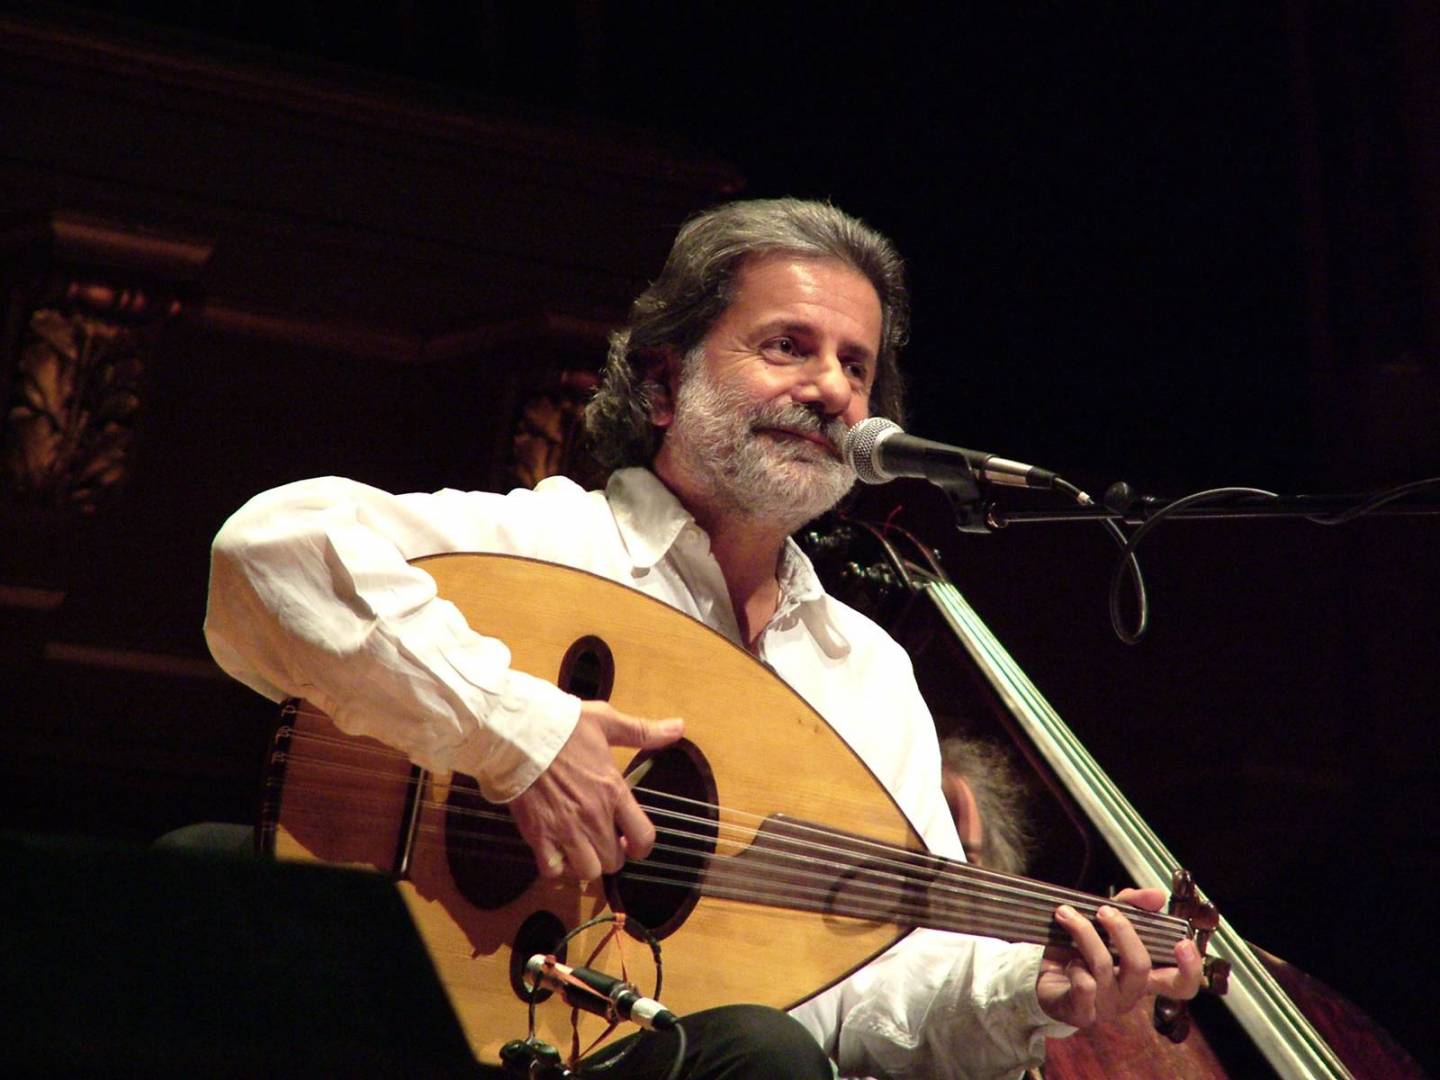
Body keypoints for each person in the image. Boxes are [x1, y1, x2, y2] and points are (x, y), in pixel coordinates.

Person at [205, 198, 1201, 1079]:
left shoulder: (866, 673)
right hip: (421, 1025)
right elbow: (267, 553)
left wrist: (1033, 992)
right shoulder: (547, 548)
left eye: (855, 366)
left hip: (666, 1065)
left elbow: (869, 996)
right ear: (662, 383)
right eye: (788, 346)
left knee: (768, 1053)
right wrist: (521, 736)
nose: (832, 390)